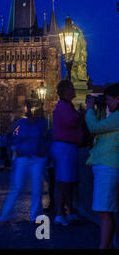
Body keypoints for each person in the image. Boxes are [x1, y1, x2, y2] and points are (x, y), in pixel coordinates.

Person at [0, 101, 50, 223]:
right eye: (28, 109)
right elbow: (8, 134)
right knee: (17, 187)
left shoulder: (42, 123)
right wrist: (14, 147)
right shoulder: (20, 122)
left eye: (31, 109)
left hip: (37, 158)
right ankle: (5, 215)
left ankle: (36, 216)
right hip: (22, 158)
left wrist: (44, 150)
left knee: (37, 187)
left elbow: (48, 137)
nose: (30, 111)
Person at [85, 83, 119, 249]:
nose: (107, 103)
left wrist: (90, 109)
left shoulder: (118, 116)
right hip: (104, 164)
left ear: (117, 98)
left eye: (108, 99)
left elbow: (94, 127)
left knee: (104, 211)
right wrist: (98, 110)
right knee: (103, 210)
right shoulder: (113, 115)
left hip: (108, 165)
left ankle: (104, 246)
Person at [51, 79, 85, 226]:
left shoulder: (67, 106)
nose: (74, 90)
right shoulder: (63, 106)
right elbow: (71, 122)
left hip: (69, 147)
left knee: (69, 181)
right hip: (64, 148)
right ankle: (59, 214)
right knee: (63, 182)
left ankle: (69, 212)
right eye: (72, 88)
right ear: (65, 91)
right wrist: (83, 116)